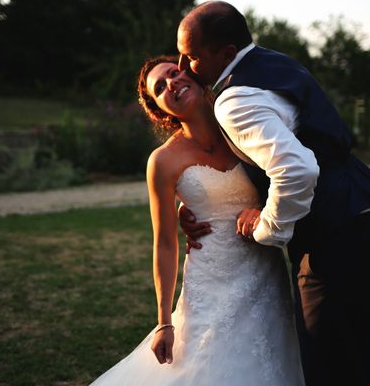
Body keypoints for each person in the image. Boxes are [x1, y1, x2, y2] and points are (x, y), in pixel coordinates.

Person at [176, 1, 370, 386]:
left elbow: (297, 168)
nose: (183, 66)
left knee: (330, 369)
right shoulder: (271, 62)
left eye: (191, 56)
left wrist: (266, 228)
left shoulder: (234, 99)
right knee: (351, 360)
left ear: (225, 53)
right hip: (361, 218)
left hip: (333, 239)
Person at [90, 56, 305, 385]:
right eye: (159, 88)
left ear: (191, 75)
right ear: (160, 110)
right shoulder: (162, 161)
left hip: (264, 270)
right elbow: (163, 242)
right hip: (209, 279)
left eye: (173, 73)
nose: (170, 84)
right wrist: (163, 322)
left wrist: (262, 212)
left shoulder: (240, 126)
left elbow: (281, 176)